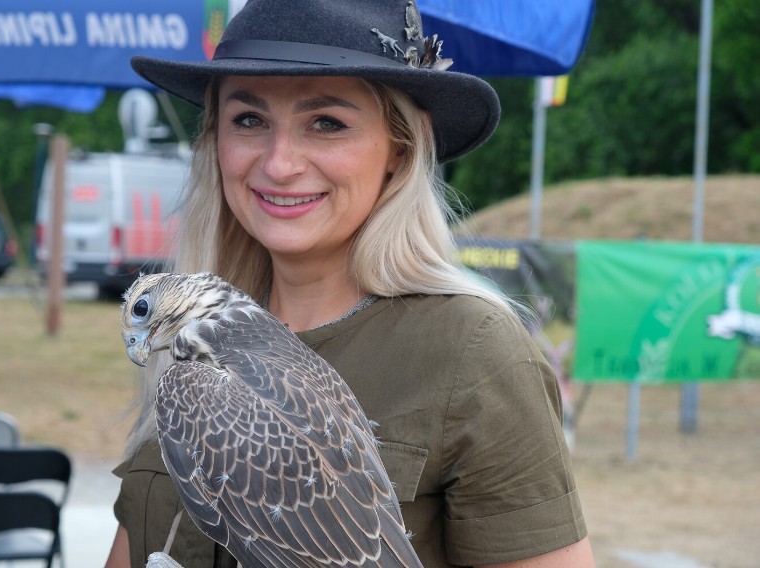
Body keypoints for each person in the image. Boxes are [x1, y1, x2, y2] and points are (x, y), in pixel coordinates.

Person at [105, 0, 595, 567]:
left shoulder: (473, 351)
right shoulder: (178, 344)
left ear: (401, 150)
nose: (279, 163)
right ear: (215, 140)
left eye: (327, 123)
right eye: (249, 120)